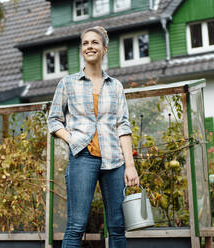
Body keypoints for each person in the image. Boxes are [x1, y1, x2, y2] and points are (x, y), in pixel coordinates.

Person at [47, 26, 139, 248]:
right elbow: (53, 120)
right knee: (76, 226)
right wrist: (73, 139)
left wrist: (130, 166)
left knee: (117, 227)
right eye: (85, 43)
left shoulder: (115, 86)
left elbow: (122, 126)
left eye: (95, 43)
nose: (89, 46)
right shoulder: (67, 83)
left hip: (114, 161)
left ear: (104, 49)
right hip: (83, 158)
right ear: (81, 49)